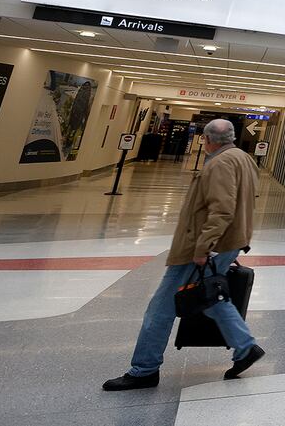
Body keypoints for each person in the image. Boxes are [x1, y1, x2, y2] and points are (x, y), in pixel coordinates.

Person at [103, 119, 264, 390]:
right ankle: (245, 348)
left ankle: (144, 369)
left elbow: (223, 209)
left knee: (160, 308)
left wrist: (204, 248)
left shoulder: (220, 163)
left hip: (201, 247)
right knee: (211, 298)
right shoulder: (243, 158)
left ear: (207, 139)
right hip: (224, 244)